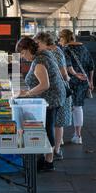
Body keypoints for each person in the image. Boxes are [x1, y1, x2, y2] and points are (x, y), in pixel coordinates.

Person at [16, 36, 66, 171]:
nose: (22, 56)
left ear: (28, 49)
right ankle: (46, 157)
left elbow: (44, 85)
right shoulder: (42, 54)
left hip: (50, 99)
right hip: (54, 97)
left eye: (22, 52)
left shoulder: (39, 62)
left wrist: (26, 93)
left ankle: (49, 162)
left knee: (47, 128)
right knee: (47, 127)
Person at [34, 32, 72, 160]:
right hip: (57, 91)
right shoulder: (54, 51)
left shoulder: (54, 52)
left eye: (38, 43)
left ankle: (56, 150)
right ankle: (55, 149)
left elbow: (64, 73)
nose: (36, 46)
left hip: (56, 91)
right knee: (56, 122)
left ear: (45, 42)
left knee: (57, 122)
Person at [58, 29, 94, 144]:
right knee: (78, 108)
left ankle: (60, 138)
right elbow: (91, 65)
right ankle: (78, 136)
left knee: (63, 107)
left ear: (64, 38)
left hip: (69, 81)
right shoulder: (84, 48)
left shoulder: (65, 49)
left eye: (60, 38)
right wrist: (91, 81)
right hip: (83, 81)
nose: (59, 41)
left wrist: (74, 74)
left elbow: (68, 66)